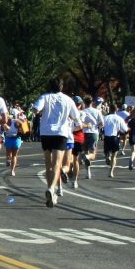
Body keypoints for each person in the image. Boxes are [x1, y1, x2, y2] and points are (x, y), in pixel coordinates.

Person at [31, 78, 78, 207]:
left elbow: (35, 109)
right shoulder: (68, 100)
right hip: (60, 133)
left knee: (48, 165)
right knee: (57, 164)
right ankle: (52, 188)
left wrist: (40, 113)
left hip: (46, 132)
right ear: (61, 87)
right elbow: (75, 116)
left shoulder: (45, 97)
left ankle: (49, 189)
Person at [102, 107, 129, 177]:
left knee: (107, 151)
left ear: (110, 110)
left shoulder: (106, 117)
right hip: (115, 137)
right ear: (116, 110)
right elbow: (125, 129)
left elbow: (101, 126)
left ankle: (107, 156)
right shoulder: (119, 118)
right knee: (114, 156)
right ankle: (111, 172)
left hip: (107, 137)